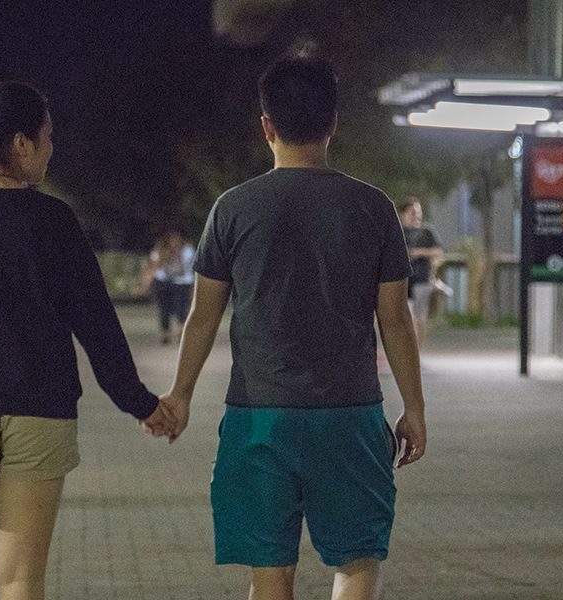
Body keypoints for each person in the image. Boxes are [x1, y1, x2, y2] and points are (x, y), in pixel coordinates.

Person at [154, 58, 427, 600]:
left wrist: (179, 396)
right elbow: (395, 319)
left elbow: (203, 316)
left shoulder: (232, 209)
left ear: (267, 126)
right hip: (350, 416)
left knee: (270, 573)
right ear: (333, 125)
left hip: (259, 419)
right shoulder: (373, 208)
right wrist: (414, 408)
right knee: (357, 560)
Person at [0, 80, 173, 600]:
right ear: (21, 144)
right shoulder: (55, 221)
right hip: (41, 410)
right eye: (47, 138)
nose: (50, 149)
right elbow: (97, 326)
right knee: (21, 578)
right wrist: (142, 405)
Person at [398, 198, 443, 346]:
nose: (416, 215)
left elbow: (438, 251)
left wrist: (419, 252)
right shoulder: (397, 232)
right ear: (403, 214)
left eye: (418, 212)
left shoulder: (426, 232)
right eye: (412, 212)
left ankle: (416, 349)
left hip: (421, 278)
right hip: (401, 279)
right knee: (402, 316)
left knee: (419, 316)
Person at [141, 229, 196, 344]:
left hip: (181, 283)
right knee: (164, 309)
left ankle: (181, 332)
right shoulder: (160, 250)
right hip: (164, 282)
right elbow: (154, 266)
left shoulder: (187, 250)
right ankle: (165, 334)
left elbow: (193, 268)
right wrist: (146, 283)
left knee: (181, 309)